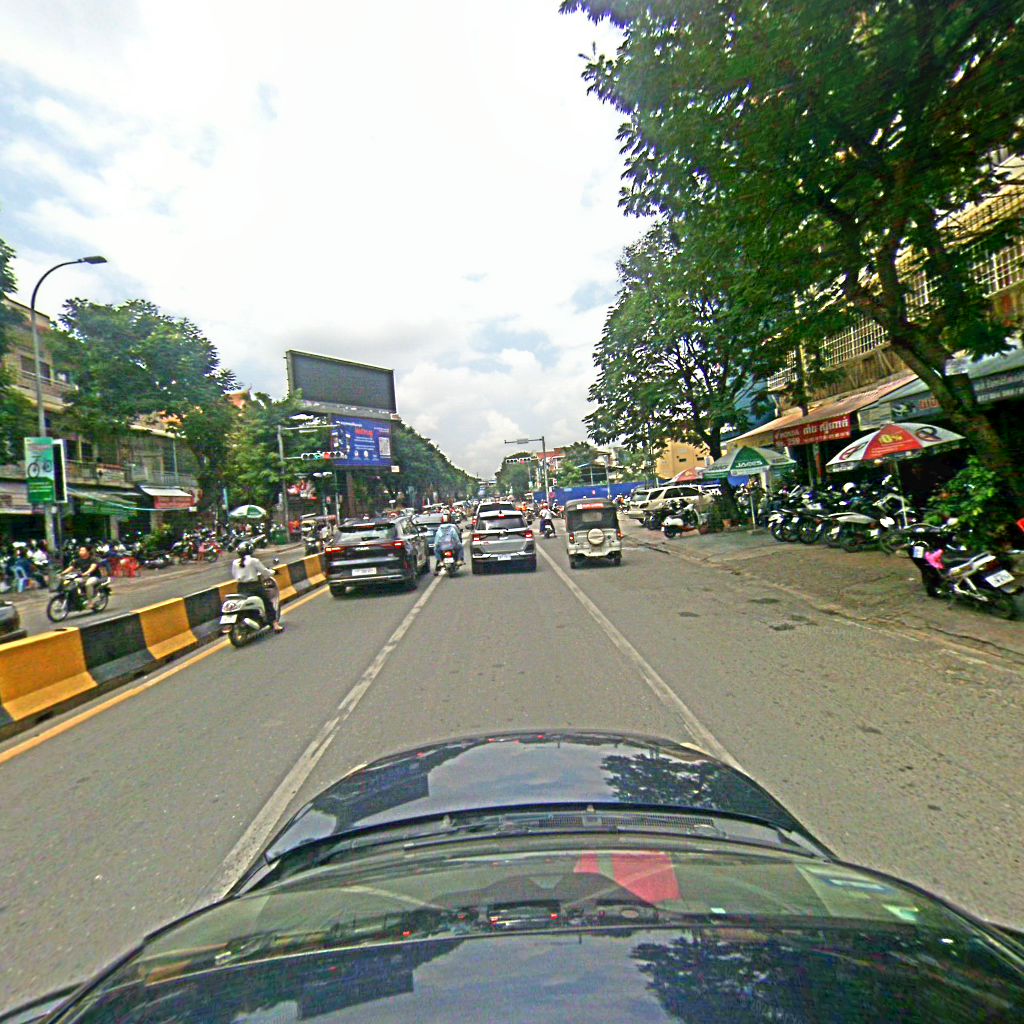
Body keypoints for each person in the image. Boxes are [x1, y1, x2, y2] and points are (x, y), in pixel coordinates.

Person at [230, 542, 283, 632]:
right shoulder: (254, 561)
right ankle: (275, 624)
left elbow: (234, 575)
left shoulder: (235, 562)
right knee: (267, 603)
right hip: (254, 586)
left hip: (241, 587)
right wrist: (274, 572)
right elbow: (265, 572)